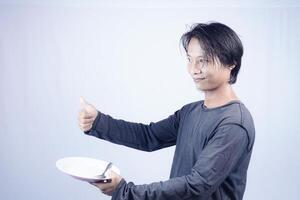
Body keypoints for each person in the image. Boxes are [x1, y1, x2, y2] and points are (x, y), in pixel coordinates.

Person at [77, 22, 255, 200]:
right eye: (189, 59)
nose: (193, 69)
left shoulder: (234, 124)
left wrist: (125, 192)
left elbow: (197, 185)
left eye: (204, 60)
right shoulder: (190, 112)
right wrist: (98, 122)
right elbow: (148, 136)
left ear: (231, 62)